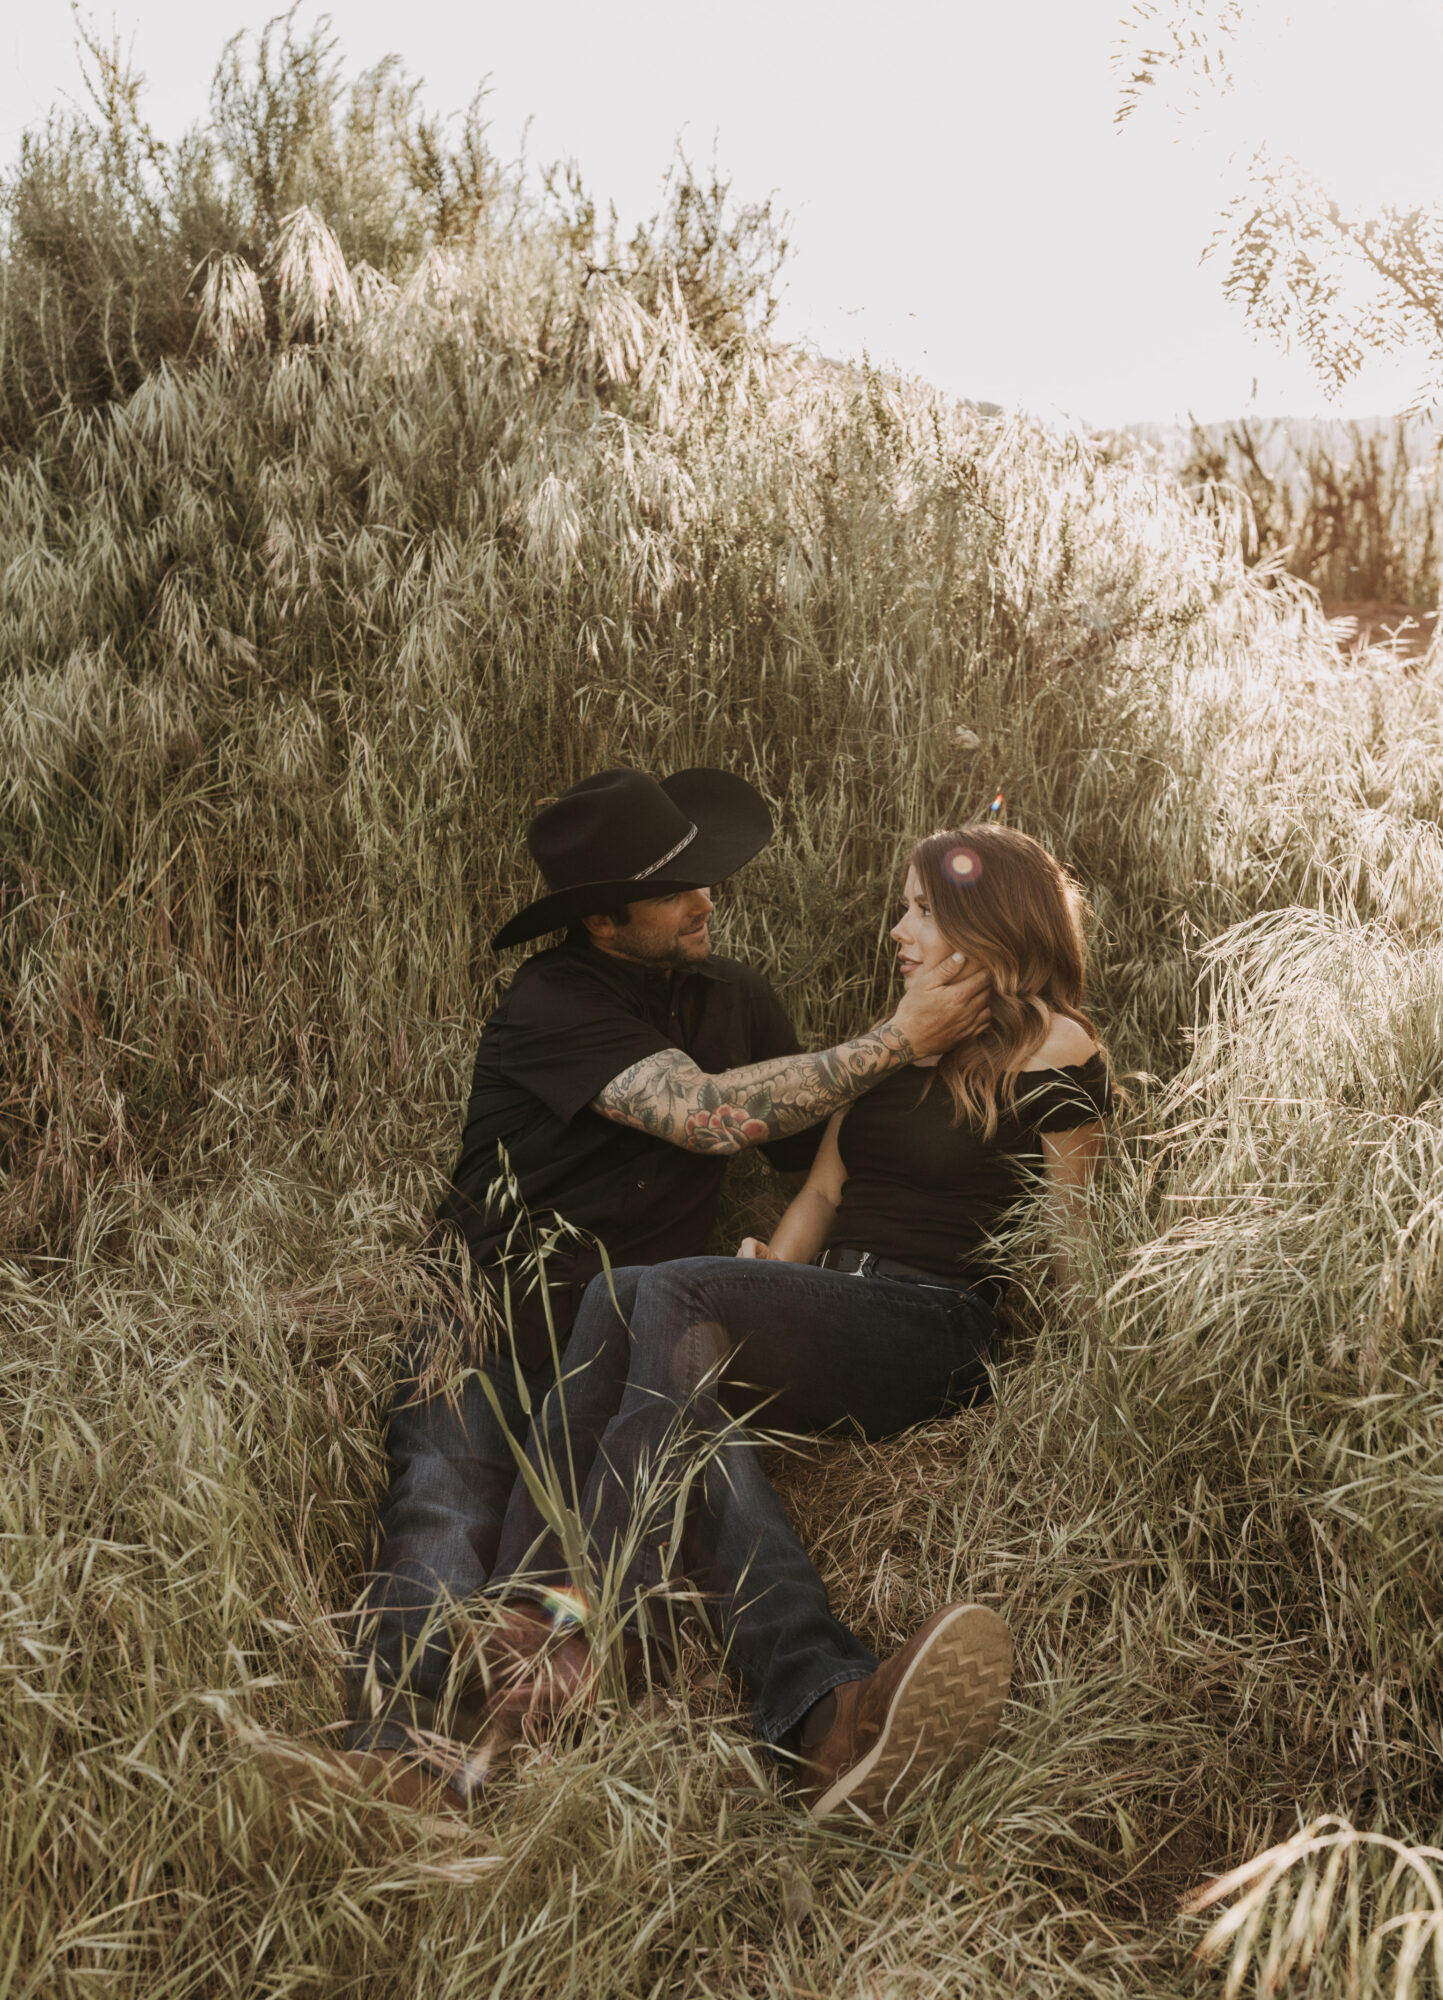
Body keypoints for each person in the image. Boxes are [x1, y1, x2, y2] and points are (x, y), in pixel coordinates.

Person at [335, 765, 989, 1809]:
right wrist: (895, 1039)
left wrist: (985, 1048)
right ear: (602, 920)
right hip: (491, 1324)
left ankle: (832, 1720)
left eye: (705, 877)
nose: (708, 900)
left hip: (641, 1340)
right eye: (677, 888)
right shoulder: (550, 1002)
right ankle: (404, 1762)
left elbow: (828, 1150)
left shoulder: (736, 997)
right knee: (442, 1504)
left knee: (717, 1473)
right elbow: (709, 1115)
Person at [473, 822, 1110, 1826]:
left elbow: (1072, 1241)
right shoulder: (892, 1046)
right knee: (640, 1322)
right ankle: (828, 1714)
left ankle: (574, 1631)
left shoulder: (1060, 1048)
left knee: (663, 1292)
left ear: (986, 923)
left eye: (920, 908)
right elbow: (822, 1191)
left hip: (935, 1324)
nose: (898, 928)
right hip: (838, 1307)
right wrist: (774, 1274)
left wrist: (1076, 1395)